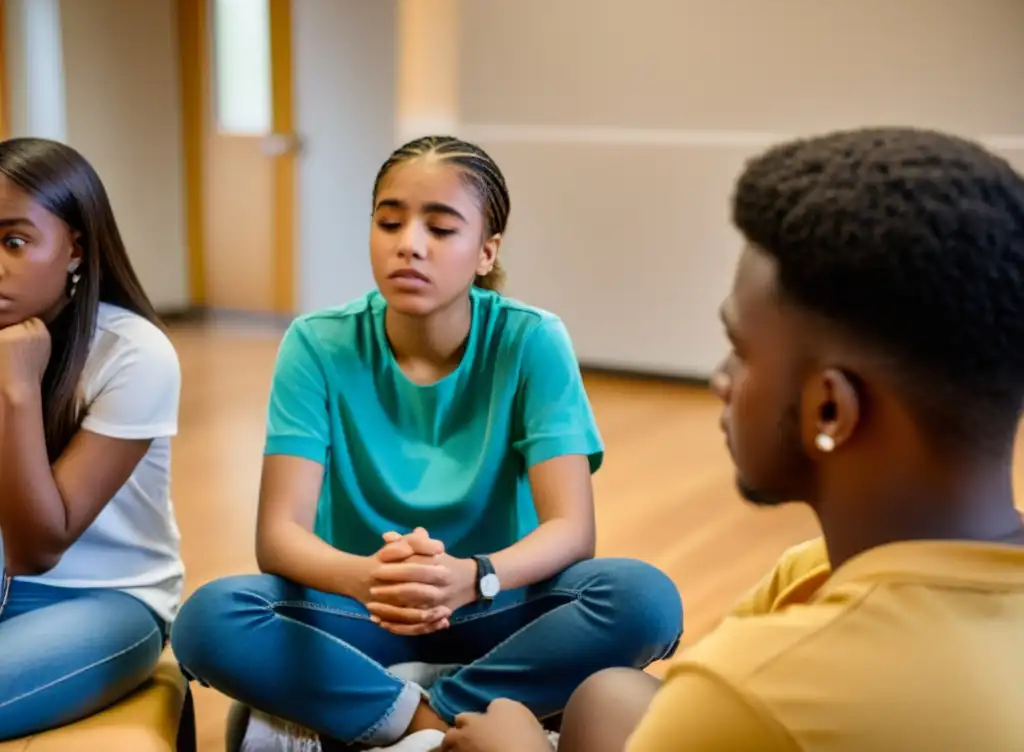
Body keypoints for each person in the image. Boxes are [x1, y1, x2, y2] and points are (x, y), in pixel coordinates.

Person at [438, 125, 1024, 752]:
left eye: (740, 352)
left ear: (830, 410)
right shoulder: (812, 572)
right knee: (612, 695)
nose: (720, 379)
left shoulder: (753, 691)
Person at [170, 135, 683, 752]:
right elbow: (278, 536)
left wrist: (474, 576)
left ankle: (395, 711)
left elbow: (572, 530)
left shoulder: (533, 341)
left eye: (440, 229)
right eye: (389, 222)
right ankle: (431, 728)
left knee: (644, 599)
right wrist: (367, 580)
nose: (408, 243)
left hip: (496, 610)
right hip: (363, 610)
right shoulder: (316, 344)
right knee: (207, 619)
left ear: (486, 251)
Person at [0, 138, 183, 740]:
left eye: (13, 242)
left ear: (75, 245)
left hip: (104, 603)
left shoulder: (135, 355)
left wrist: (18, 391)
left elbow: (37, 548)